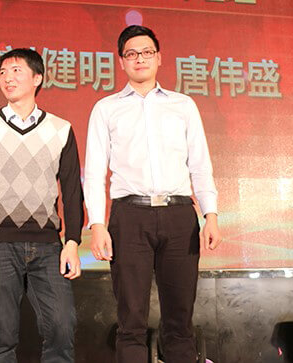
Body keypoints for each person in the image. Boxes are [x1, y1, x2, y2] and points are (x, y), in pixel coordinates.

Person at [83, 25, 221, 362]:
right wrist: (97, 224)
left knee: (180, 319)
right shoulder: (106, 108)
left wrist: (211, 215)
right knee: (131, 319)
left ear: (159, 58)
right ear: (121, 62)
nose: (140, 59)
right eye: (131, 54)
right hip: (129, 217)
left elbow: (200, 164)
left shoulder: (183, 105)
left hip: (179, 215)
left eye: (146, 52)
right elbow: (94, 171)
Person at [0, 48, 83, 362]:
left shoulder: (60, 129)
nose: (7, 78)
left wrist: (72, 242)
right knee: (1, 337)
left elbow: (71, 190)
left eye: (16, 70)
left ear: (37, 78)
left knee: (62, 326)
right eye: (2, 72)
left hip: (48, 246)